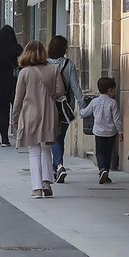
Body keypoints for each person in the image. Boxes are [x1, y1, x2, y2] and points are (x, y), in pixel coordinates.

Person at [12, 40, 65, 198]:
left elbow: (18, 99)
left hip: (30, 114)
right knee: (46, 148)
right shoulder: (53, 70)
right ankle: (47, 182)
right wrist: (49, 97)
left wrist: (15, 117)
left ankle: (36, 188)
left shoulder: (24, 73)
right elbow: (60, 91)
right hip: (49, 113)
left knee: (34, 151)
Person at [46, 35, 84, 183]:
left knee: (54, 137)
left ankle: (58, 165)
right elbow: (75, 87)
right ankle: (57, 166)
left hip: (48, 106)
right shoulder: (69, 65)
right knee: (59, 137)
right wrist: (83, 106)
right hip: (65, 106)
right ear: (64, 49)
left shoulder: (45, 64)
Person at [80, 77, 120, 185]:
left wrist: (80, 109)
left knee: (100, 152)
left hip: (99, 132)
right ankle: (106, 171)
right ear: (110, 90)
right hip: (111, 132)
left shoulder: (94, 102)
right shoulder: (113, 103)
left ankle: (102, 169)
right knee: (108, 152)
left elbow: (84, 113)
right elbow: (117, 119)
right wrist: (120, 132)